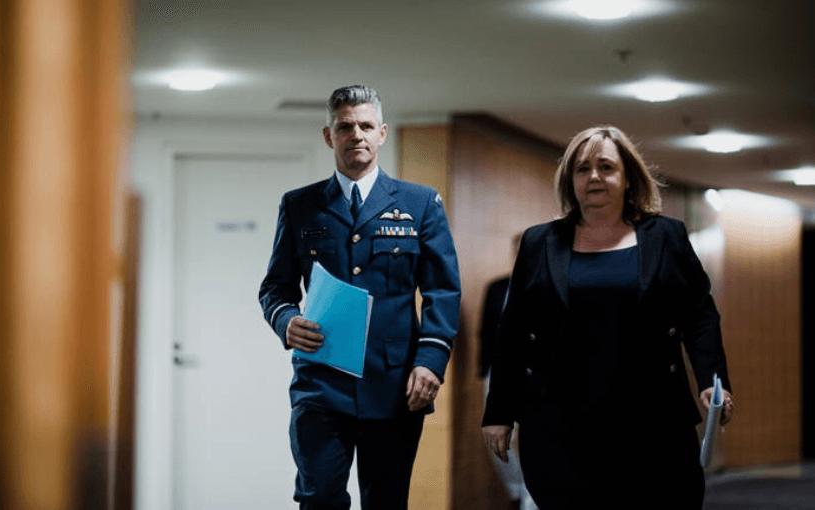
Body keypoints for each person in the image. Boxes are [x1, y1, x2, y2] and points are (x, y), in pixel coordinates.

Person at [481, 126, 734, 509]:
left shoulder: (666, 236)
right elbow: (512, 331)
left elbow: (699, 316)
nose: (594, 176)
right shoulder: (539, 242)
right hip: (561, 425)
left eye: (605, 166)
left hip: (653, 422)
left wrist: (711, 381)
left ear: (628, 177)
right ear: (570, 180)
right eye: (582, 169)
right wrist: (499, 412)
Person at [259, 85, 461, 510]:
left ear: (382, 133)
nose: (357, 135)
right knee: (318, 498)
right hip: (321, 382)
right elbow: (276, 287)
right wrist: (286, 320)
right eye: (345, 126)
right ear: (329, 136)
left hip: (394, 385)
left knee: (385, 501)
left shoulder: (420, 204)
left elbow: (442, 290)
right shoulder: (300, 205)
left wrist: (431, 363)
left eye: (366, 126)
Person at [479, 235, 537, 510]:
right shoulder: (497, 288)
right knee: (495, 437)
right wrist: (483, 369)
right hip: (496, 372)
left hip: (535, 375)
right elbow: (487, 332)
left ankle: (529, 499)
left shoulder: (545, 287)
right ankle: (516, 489)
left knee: (534, 438)